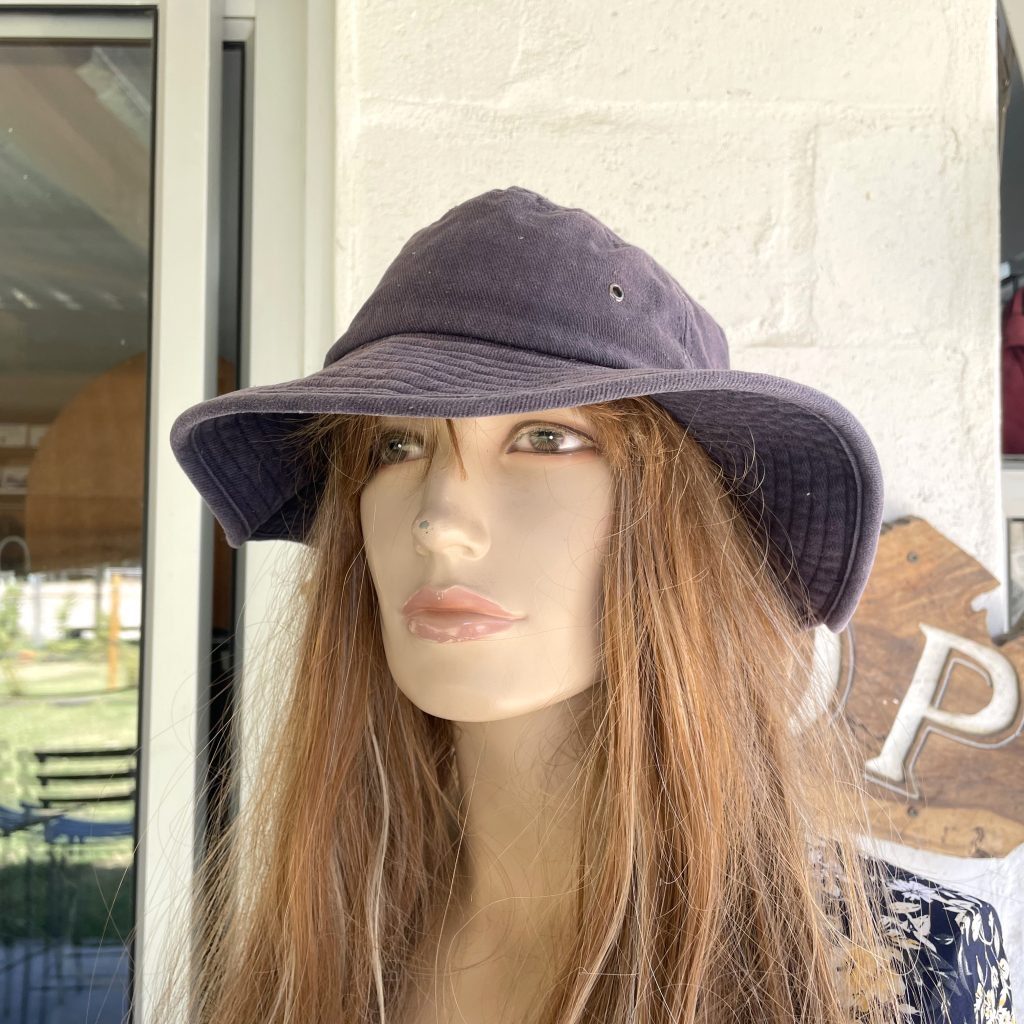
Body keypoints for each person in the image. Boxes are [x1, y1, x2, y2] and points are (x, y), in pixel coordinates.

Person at [165, 186, 1015, 1024]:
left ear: (677, 522)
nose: (439, 519)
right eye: (398, 445)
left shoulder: (893, 973)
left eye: (545, 438)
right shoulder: (312, 954)